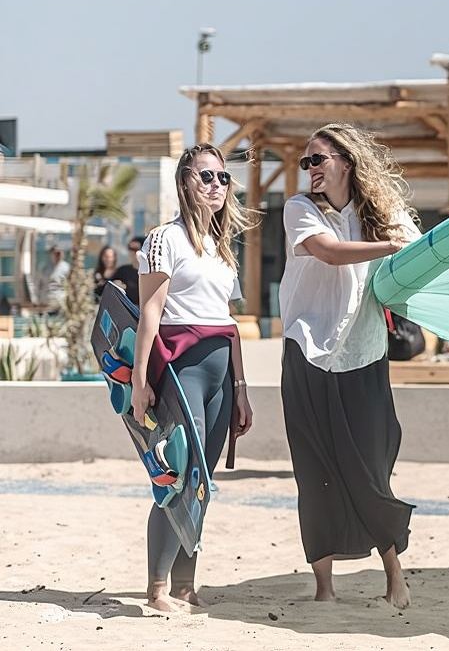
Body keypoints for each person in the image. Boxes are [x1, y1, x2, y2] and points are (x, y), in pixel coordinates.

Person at [279, 123, 421, 608]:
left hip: (365, 353)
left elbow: (420, 256)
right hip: (308, 352)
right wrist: (389, 247)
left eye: (317, 159)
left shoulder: (383, 214)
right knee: (314, 469)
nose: (311, 170)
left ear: (346, 160)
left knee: (371, 467)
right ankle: (325, 590)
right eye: (306, 163)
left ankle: (396, 581)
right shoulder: (299, 209)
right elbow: (328, 253)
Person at [131, 144, 257, 611]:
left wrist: (242, 390)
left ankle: (186, 584)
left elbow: (229, 323)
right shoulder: (165, 239)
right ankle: (158, 588)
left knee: (201, 480)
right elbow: (150, 311)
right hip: (182, 370)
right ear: (185, 181)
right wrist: (139, 380)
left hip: (222, 372)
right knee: (176, 475)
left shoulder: (225, 248)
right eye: (207, 177)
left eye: (224, 178)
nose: (217, 186)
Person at [108, 235, 145, 305]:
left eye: (135, 249)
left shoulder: (150, 274)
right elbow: (105, 288)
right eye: (130, 248)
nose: (131, 252)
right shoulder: (122, 271)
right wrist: (115, 286)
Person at [43, 245, 70, 311]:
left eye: (59, 253)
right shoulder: (46, 268)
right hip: (49, 299)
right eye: (55, 253)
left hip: (62, 298)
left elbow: (69, 284)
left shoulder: (66, 267)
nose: (58, 255)